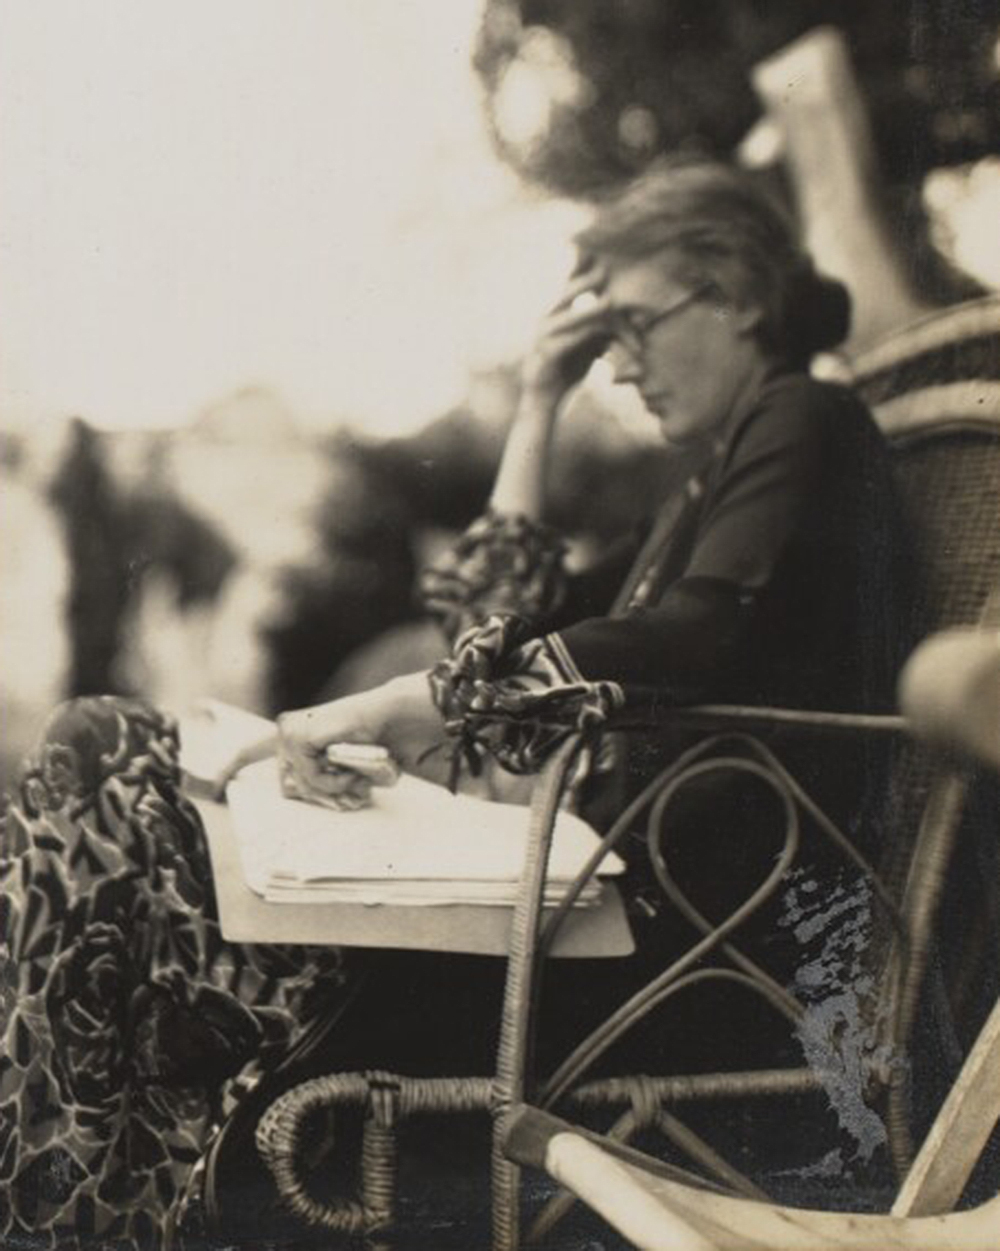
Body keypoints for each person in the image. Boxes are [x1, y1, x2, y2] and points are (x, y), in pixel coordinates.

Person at [0, 158, 912, 1248]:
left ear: (742, 298)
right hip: (587, 895)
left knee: (103, 795)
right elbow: (495, 615)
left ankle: (61, 1201)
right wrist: (537, 402)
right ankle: (60, 1199)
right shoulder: (705, 481)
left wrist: (412, 703)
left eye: (632, 325)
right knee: (107, 763)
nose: (616, 369)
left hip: (674, 943)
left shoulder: (801, 418)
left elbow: (697, 629)